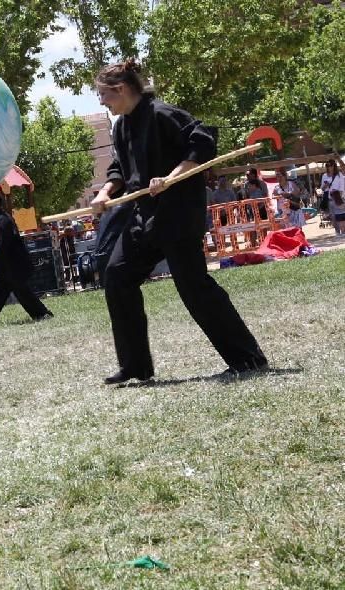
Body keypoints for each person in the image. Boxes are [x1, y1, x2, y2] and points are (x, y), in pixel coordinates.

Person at [90, 59, 267, 384]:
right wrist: (105, 192)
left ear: (122, 89)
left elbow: (202, 142)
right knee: (116, 275)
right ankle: (135, 366)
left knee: (193, 287)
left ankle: (248, 358)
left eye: (104, 95)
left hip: (178, 216)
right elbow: (120, 168)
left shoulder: (163, 114)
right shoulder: (122, 126)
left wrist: (171, 177)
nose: (102, 101)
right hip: (144, 218)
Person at [0, 190, 52, 326]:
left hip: (13, 265)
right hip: (8, 266)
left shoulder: (2, 220)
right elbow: (3, 243)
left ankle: (42, 314)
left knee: (22, 292)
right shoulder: (0, 219)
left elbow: (6, 244)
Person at [321, 159, 345, 235]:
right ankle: (337, 232)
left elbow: (342, 187)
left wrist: (339, 197)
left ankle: (343, 232)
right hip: (329, 199)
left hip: (338, 198)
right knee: (333, 217)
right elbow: (322, 188)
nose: (329, 167)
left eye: (330, 165)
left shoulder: (339, 175)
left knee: (341, 217)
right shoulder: (324, 176)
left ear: (334, 166)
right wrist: (325, 185)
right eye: (327, 165)